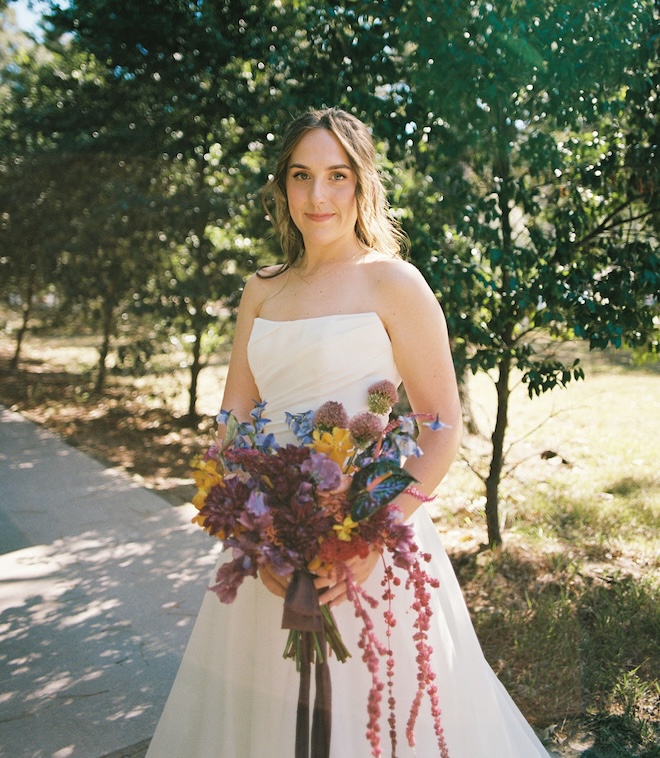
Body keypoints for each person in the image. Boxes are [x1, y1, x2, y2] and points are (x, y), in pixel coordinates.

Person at [145, 107, 551, 757]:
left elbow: (441, 425)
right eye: (301, 176)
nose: (318, 196)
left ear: (362, 185)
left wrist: (372, 535)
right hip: (270, 548)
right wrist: (257, 533)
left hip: (372, 543)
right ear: (281, 186)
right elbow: (233, 422)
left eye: (337, 176)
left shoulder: (394, 283)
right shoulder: (262, 288)